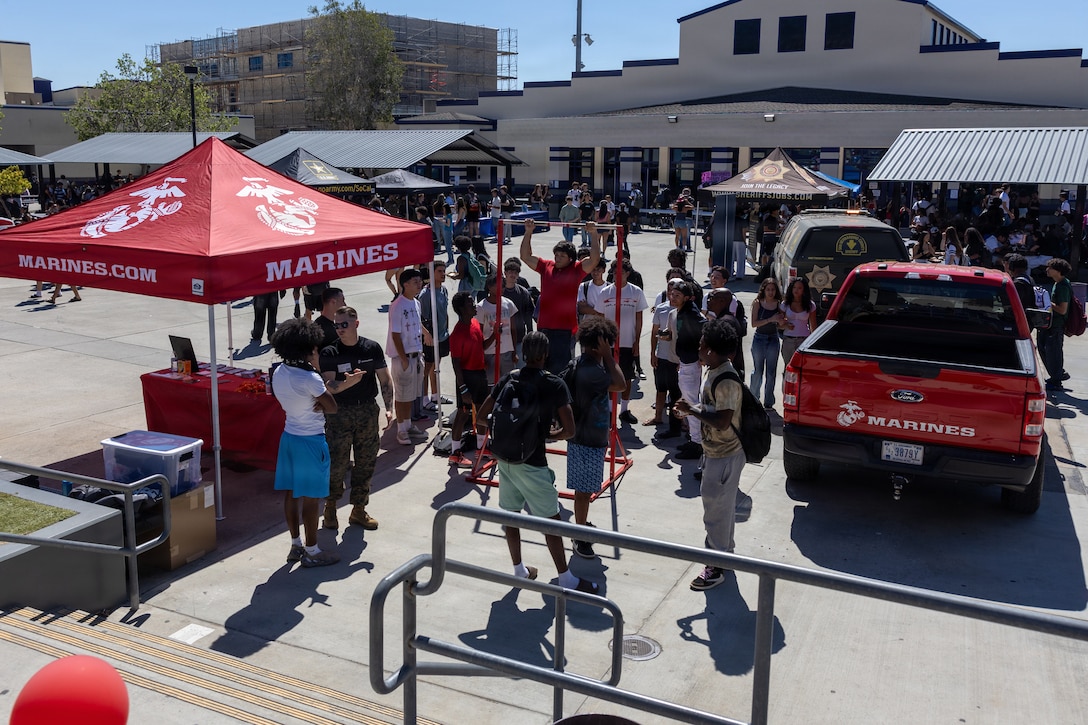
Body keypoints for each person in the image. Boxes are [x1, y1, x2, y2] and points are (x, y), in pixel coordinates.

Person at [475, 331, 598, 593]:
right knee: (550, 521)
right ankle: (566, 578)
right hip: (532, 461)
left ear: (524, 353)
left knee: (511, 515)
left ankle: (519, 570)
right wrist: (543, 434)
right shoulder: (554, 384)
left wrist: (510, 431)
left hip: (504, 460)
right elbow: (570, 430)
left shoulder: (510, 378)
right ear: (545, 355)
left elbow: (482, 418)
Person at [674, 318, 745, 591]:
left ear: (713, 350)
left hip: (724, 456)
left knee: (715, 512)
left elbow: (723, 420)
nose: (699, 348)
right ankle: (724, 555)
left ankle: (714, 567)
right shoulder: (714, 371)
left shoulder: (725, 379)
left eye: (702, 345)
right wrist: (691, 408)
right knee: (722, 510)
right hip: (715, 452)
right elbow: (712, 411)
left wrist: (691, 410)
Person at [270, 318, 340, 568]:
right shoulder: (311, 379)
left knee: (292, 494)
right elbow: (332, 407)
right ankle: (312, 551)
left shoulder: (278, 372)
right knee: (312, 499)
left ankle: (296, 544)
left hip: (289, 438)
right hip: (311, 442)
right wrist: (322, 392)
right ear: (307, 349)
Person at [319, 306, 393, 531]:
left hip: (367, 412)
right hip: (339, 414)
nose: (340, 329)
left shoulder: (371, 348)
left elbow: (385, 380)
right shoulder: (330, 352)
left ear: (356, 324)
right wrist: (346, 384)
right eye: (336, 325)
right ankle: (330, 507)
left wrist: (389, 408)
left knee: (366, 462)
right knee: (337, 464)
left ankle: (358, 509)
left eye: (344, 324)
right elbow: (329, 386)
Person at [566, 317, 626, 558]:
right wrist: (609, 356)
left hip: (585, 436)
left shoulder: (584, 364)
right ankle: (579, 535)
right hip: (587, 438)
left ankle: (581, 524)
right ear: (601, 344)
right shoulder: (593, 371)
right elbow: (621, 385)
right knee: (583, 491)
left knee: (584, 490)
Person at [521, 218, 601, 374]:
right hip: (543, 328)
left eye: (561, 256)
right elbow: (525, 256)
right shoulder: (546, 266)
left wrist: (593, 233)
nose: (557, 258)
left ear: (570, 259)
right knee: (539, 371)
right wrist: (528, 232)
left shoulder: (577, 269)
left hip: (564, 332)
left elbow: (594, 259)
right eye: (556, 255)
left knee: (561, 372)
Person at [593, 258, 647, 424]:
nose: (618, 275)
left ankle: (624, 409)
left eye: (621, 272)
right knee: (608, 377)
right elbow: (599, 319)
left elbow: (639, 319)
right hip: (608, 344)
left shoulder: (635, 292)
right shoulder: (605, 293)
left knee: (627, 377)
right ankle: (610, 410)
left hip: (627, 342)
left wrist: (637, 342)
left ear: (627, 274)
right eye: (615, 272)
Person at [447, 291, 496, 468]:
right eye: (470, 303)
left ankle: (482, 447)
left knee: (482, 411)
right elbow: (456, 364)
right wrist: (463, 388)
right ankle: (455, 453)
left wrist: (494, 336)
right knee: (463, 414)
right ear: (461, 309)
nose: (474, 305)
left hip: (479, 375)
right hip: (466, 377)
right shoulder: (457, 334)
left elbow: (481, 346)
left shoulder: (475, 323)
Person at [387, 268, 433, 445]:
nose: (419, 284)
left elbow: (416, 321)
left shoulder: (415, 302)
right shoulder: (397, 305)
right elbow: (395, 334)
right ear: (404, 284)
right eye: (415, 281)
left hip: (416, 354)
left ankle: (408, 424)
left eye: (420, 281)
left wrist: (426, 333)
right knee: (402, 394)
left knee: (412, 394)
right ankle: (401, 429)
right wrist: (403, 358)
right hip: (403, 357)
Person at [671, 279, 707, 460]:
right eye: (672, 294)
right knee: (688, 402)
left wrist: (701, 355)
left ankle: (698, 444)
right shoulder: (682, 311)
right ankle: (694, 440)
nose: (673, 297)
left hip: (692, 365)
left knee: (691, 405)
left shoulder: (691, 313)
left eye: (677, 295)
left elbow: (705, 327)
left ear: (686, 297)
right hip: (685, 362)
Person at [419, 260, 451, 411]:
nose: (443, 274)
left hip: (443, 335)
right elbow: (421, 319)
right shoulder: (425, 295)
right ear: (432, 273)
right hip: (430, 338)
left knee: (436, 366)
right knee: (427, 367)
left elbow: (445, 313)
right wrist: (427, 336)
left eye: (444, 271)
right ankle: (425, 399)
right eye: (439, 271)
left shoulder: (444, 290)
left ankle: (436, 395)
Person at [750, 277, 785, 409]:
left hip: (773, 338)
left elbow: (781, 324)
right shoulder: (758, 303)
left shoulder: (779, 304)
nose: (770, 292)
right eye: (768, 289)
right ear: (763, 290)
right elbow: (754, 324)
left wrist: (782, 323)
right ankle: (754, 398)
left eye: (773, 290)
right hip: (760, 338)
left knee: (771, 372)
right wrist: (771, 319)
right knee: (758, 370)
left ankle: (768, 401)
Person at [1039, 257, 1073, 392]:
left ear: (1058, 271)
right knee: (1044, 349)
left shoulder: (1063, 286)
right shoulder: (1057, 283)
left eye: (1050, 267)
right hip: (1050, 324)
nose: (1047, 269)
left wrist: (1047, 301)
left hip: (1056, 325)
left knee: (1053, 353)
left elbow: (1062, 309)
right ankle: (1058, 374)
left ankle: (1056, 380)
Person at [477, 275, 519, 381]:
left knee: (508, 383)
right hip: (489, 353)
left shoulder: (509, 304)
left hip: (507, 352)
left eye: (503, 286)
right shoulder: (481, 307)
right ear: (490, 287)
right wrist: (481, 358)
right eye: (498, 286)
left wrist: (514, 351)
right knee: (491, 384)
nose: (502, 288)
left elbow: (513, 329)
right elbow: (479, 334)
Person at [706, 288, 747, 379]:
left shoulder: (726, 322)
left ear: (722, 301)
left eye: (712, 298)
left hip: (727, 374)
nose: (708, 301)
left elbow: (729, 353)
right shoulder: (725, 318)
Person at [779, 277, 817, 369]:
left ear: (804, 290)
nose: (796, 290)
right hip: (788, 340)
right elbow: (779, 324)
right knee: (788, 367)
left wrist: (814, 342)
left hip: (803, 340)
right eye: (794, 287)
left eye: (799, 288)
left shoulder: (810, 305)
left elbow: (813, 326)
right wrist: (786, 325)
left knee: (802, 368)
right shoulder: (785, 304)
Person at [502, 258, 535, 362]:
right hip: (501, 338)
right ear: (505, 273)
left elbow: (529, 315)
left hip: (520, 337)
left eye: (516, 272)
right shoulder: (497, 292)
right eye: (510, 272)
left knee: (520, 367)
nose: (513, 275)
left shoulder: (523, 292)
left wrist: (530, 334)